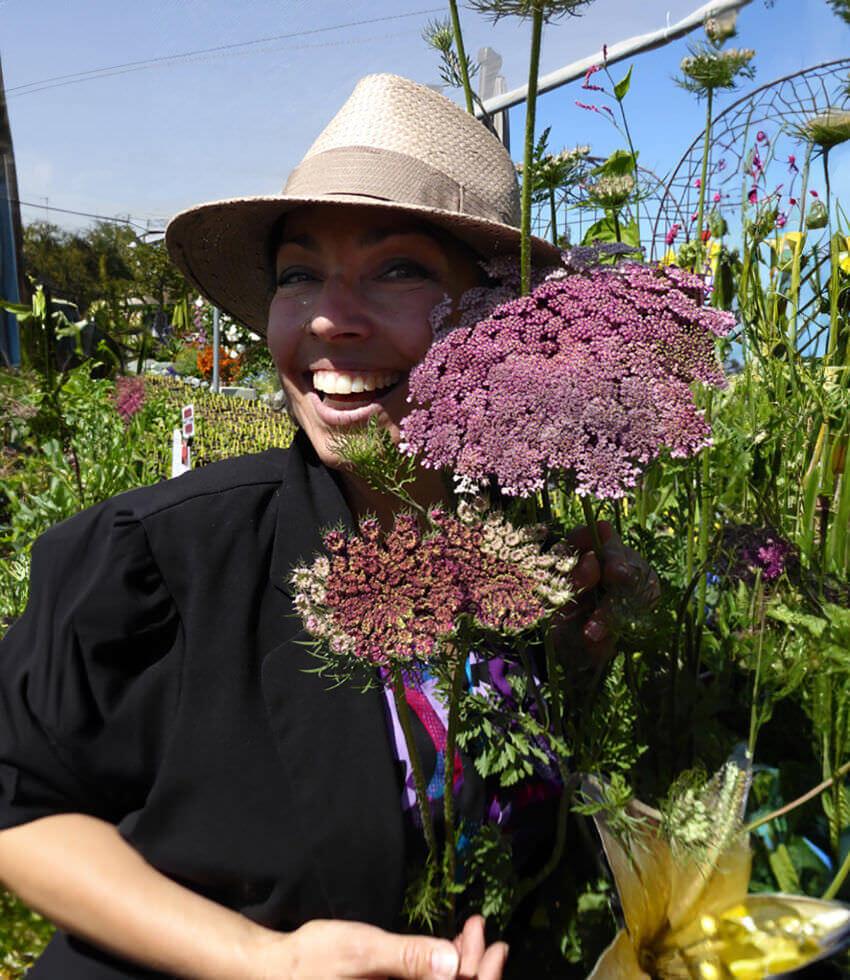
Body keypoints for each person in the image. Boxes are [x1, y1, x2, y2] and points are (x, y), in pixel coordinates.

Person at [0, 74, 658, 979]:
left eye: (398, 269)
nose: (326, 319)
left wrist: (589, 672)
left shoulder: (543, 562)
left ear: (499, 320)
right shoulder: (165, 555)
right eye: (298, 274)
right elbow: (21, 810)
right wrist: (264, 960)